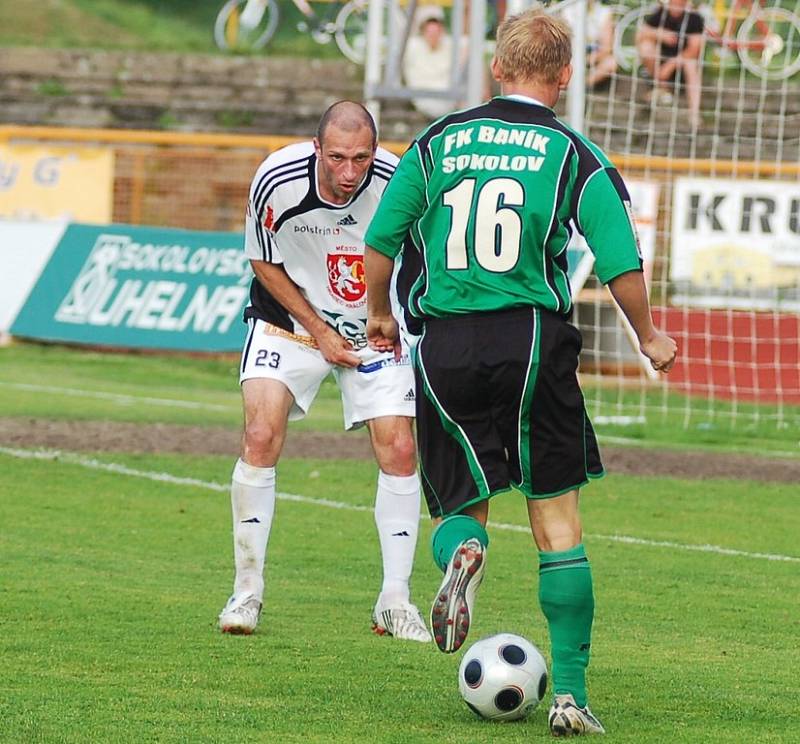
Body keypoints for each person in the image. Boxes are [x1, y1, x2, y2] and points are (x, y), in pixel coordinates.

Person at [364, 10, 677, 737]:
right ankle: (569, 696)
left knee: (457, 507)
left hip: (445, 344)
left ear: (496, 68)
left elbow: (382, 239)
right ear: (565, 77)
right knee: (557, 520)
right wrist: (649, 335)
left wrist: (379, 312)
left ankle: (463, 554)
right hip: (534, 340)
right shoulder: (574, 152)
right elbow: (621, 261)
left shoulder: (438, 141)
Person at [218, 100, 431, 644]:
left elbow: (421, 260)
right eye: (336, 157)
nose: (348, 172)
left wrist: (385, 318)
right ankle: (247, 590)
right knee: (261, 433)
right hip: (290, 320)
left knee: (401, 448)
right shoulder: (275, 179)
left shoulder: (399, 181)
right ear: (317, 148)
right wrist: (318, 328)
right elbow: (262, 260)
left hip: (374, 325)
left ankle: (395, 599)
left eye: (361, 158)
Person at [636, 0, 704, 129]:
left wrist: (671, 64)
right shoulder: (660, 14)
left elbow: (695, 49)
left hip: (682, 68)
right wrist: (659, 34)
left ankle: (694, 114)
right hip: (659, 67)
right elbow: (639, 37)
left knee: (691, 64)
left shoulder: (694, 18)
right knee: (646, 47)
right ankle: (662, 87)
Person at [403, 5, 458, 120]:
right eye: (430, 32)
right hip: (423, 100)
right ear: (423, 32)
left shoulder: (451, 45)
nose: (433, 36)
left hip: (448, 101)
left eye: (436, 32)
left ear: (442, 31)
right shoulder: (412, 46)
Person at [560, 0, 619, 88]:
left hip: (593, 58)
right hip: (569, 57)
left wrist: (587, 60)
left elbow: (606, 48)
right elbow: (561, 42)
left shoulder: (604, 12)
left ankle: (581, 86)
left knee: (611, 63)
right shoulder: (567, 10)